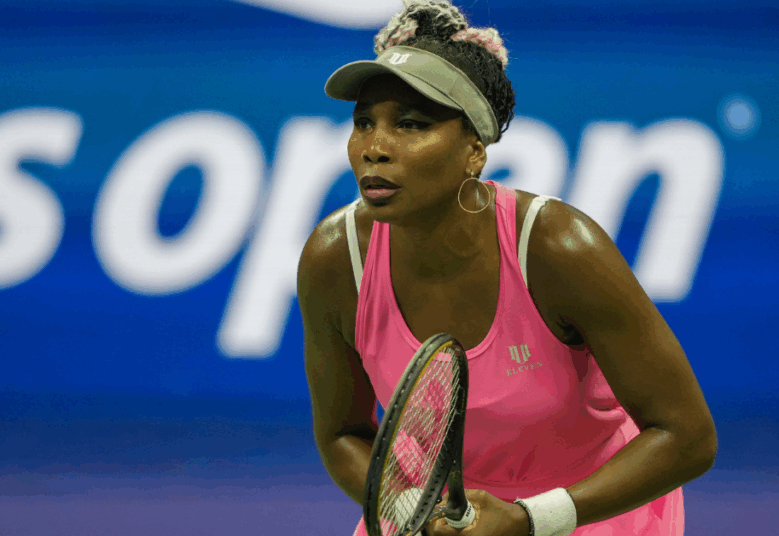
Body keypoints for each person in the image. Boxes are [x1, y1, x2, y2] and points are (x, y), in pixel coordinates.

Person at [296, 1, 717, 535]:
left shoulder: (558, 247)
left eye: (410, 124)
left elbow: (688, 436)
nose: (374, 148)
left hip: (590, 510)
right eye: (363, 123)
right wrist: (412, 512)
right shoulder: (336, 258)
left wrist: (530, 519)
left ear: (475, 149)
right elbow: (342, 434)